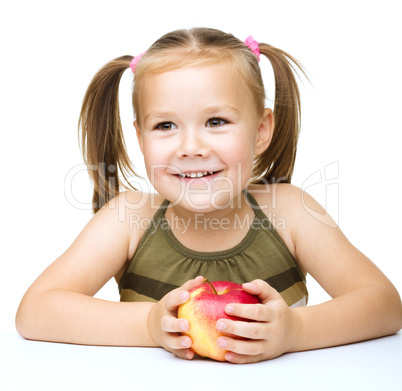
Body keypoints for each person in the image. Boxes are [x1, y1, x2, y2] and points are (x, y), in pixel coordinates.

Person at [15, 27, 402, 364]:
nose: (191, 147)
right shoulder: (129, 219)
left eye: (216, 121)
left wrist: (296, 331)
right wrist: (150, 325)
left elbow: (384, 305)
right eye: (165, 125)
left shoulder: (290, 212)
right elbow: (35, 311)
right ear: (140, 138)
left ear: (262, 130)